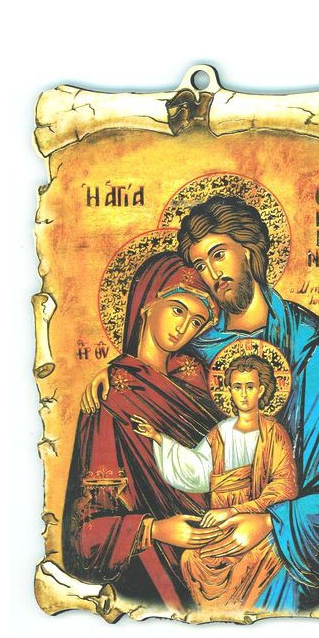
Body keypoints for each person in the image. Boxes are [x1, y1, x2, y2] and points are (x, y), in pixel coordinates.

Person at [81, 195, 319, 612]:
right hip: (204, 535)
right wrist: (115, 371)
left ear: (249, 251)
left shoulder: (312, 350)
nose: (212, 274)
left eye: (218, 254)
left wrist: (270, 523)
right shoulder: (194, 350)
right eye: (199, 265)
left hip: (277, 545)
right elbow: (149, 371)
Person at [61, 252, 228, 613]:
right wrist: (155, 530)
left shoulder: (197, 379)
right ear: (147, 303)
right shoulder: (110, 398)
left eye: (197, 321)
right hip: (153, 566)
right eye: (178, 309)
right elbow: (84, 535)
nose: (184, 328)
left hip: (222, 542)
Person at [131, 355, 298, 610]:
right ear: (229, 391)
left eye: (250, 386)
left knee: (257, 559)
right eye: (237, 387)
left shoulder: (274, 434)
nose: (244, 394)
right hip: (219, 525)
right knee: (190, 560)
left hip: (255, 524)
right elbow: (198, 469)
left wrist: (235, 511)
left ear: (262, 389)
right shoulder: (220, 432)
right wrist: (159, 439)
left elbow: (284, 487)